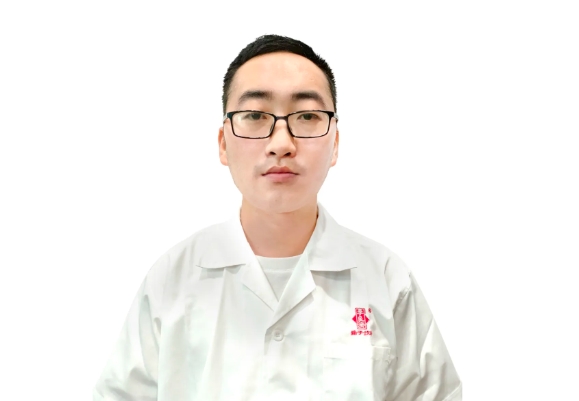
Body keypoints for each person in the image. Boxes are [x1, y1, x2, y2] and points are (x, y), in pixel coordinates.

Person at [93, 34, 462, 401]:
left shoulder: (386, 279)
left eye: (307, 116)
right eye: (255, 115)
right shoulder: (172, 279)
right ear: (223, 144)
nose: (282, 144)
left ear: (335, 144)